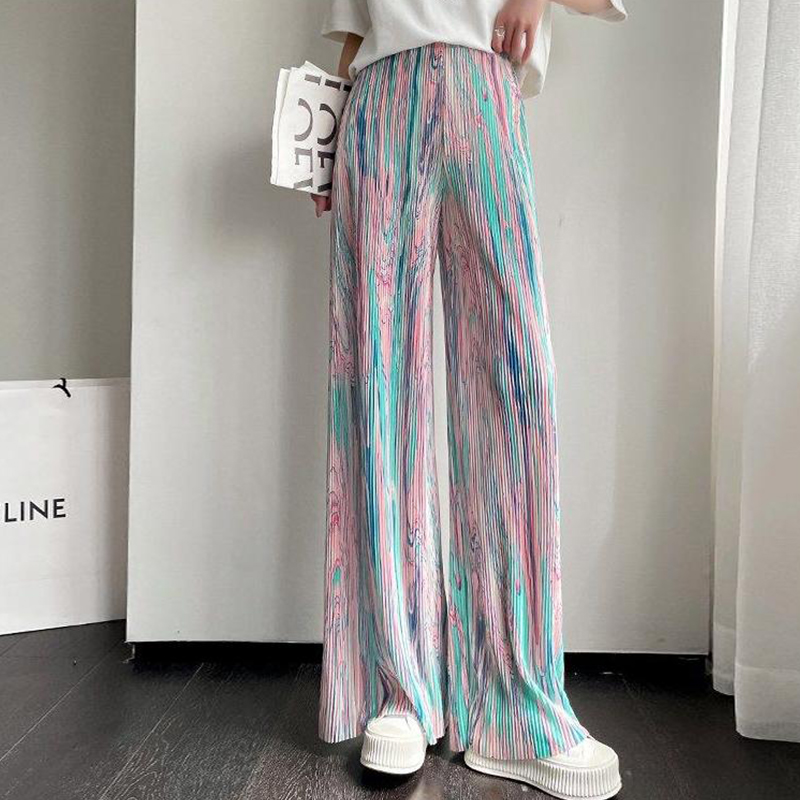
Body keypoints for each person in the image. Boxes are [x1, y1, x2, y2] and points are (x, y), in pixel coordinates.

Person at [312, 2, 627, 798]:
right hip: (378, 100)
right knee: (380, 386)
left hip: (484, 89)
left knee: (517, 390)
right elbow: (354, 28)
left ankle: (516, 708)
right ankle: (399, 692)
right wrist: (324, 145)